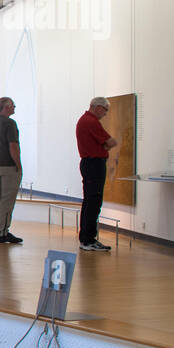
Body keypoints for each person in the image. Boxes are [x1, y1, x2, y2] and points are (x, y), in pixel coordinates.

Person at [76, 97, 119, 251]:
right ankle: (88, 239)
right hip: (94, 164)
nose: (106, 114)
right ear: (98, 107)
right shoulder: (91, 121)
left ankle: (86, 238)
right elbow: (111, 142)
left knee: (90, 201)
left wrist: (102, 149)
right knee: (93, 202)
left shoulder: (85, 120)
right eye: (106, 110)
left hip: (90, 163)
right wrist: (103, 149)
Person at [0, 97, 23, 244]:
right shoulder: (10, 123)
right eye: (13, 105)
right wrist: (18, 165)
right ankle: (3, 232)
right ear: (6, 107)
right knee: (7, 200)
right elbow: (13, 146)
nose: (14, 107)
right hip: (9, 165)